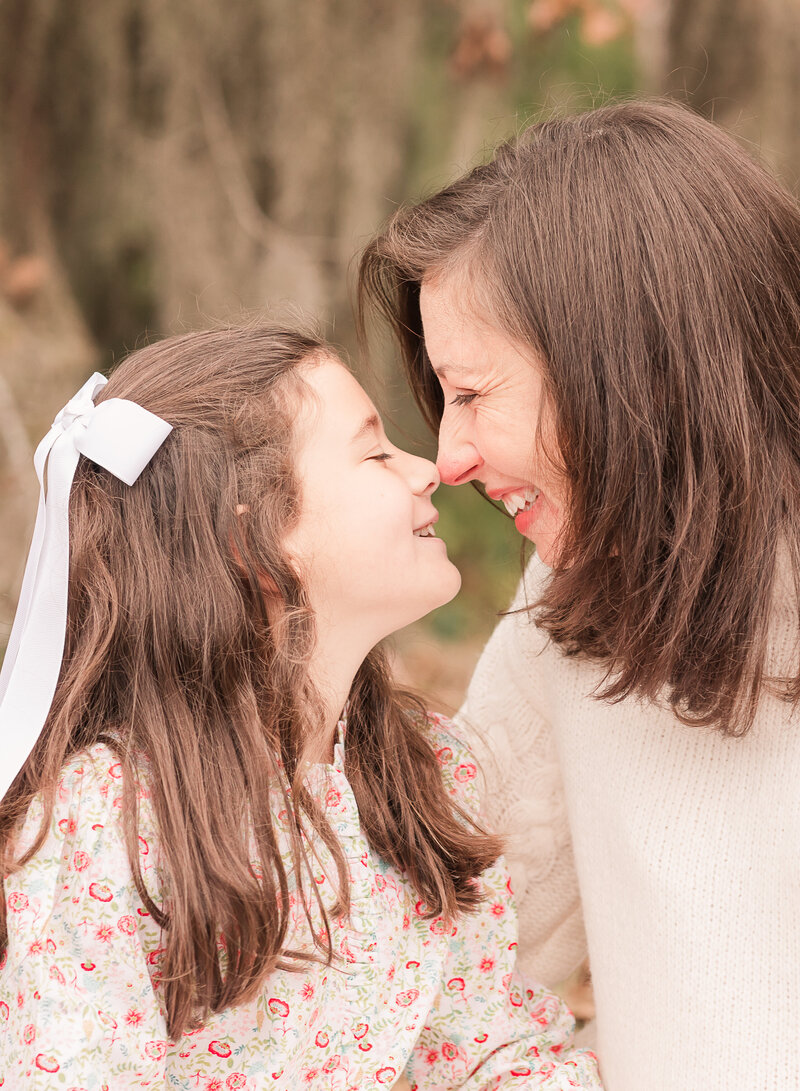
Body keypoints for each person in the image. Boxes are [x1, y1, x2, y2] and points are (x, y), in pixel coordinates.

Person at [0, 326, 601, 1089]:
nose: (429, 470)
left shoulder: (426, 773)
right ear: (259, 536)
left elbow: (480, 1053)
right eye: (376, 452)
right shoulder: (107, 813)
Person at [358, 99, 800, 1090]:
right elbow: (458, 961)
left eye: (470, 392)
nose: (449, 457)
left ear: (622, 366)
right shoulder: (572, 599)